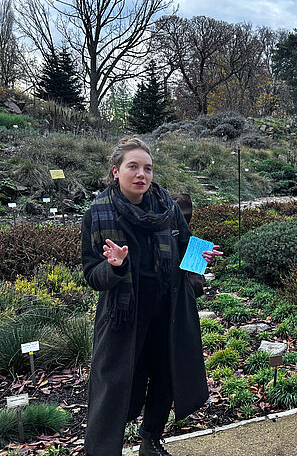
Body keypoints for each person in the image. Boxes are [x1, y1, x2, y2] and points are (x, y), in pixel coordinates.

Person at [81, 137, 222, 456]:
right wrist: (114, 267)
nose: (141, 174)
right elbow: (92, 274)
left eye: (147, 168)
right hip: (124, 315)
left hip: (168, 310)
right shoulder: (99, 214)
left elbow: (185, 246)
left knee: (167, 374)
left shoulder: (167, 208)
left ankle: (151, 439)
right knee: (112, 390)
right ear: (116, 171)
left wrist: (203, 256)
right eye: (133, 167)